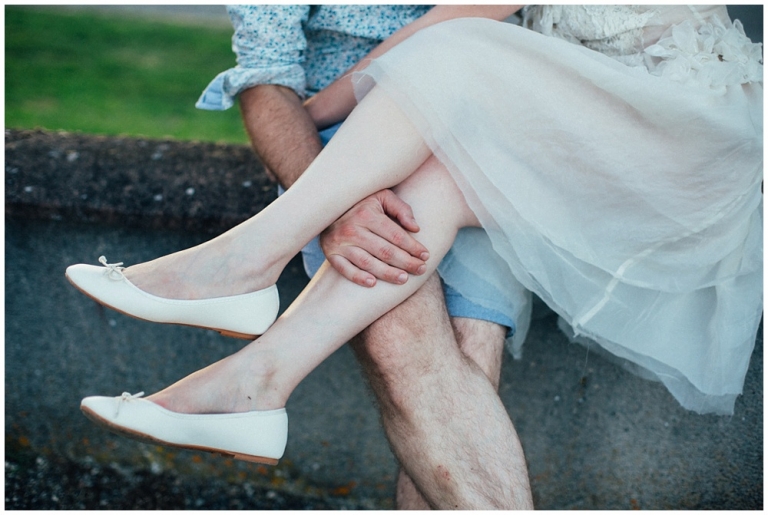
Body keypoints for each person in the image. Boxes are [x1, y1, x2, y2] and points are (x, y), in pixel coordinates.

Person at [68, 4, 762, 509]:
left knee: (456, 344)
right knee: (405, 299)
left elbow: (458, 25)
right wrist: (325, 174)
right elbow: (264, 71)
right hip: (500, 133)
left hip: (663, 137)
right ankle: (253, 382)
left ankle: (238, 264)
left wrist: (318, 127)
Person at [198, 5, 528, 509]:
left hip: (480, 145)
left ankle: (251, 369)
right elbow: (266, 76)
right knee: (401, 341)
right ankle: (253, 371)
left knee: (473, 351)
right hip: (340, 144)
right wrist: (330, 201)